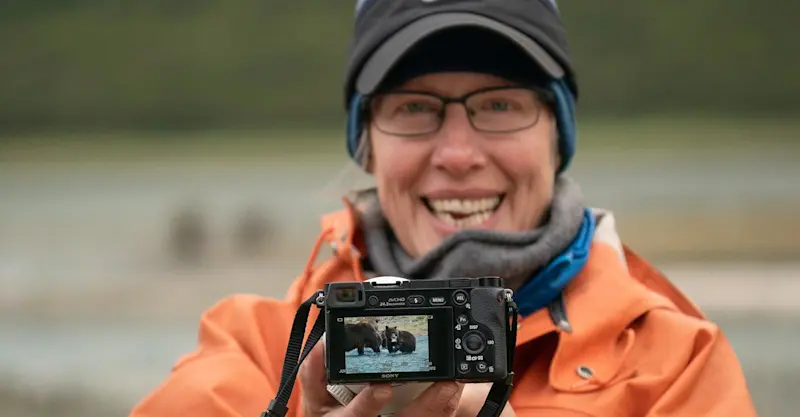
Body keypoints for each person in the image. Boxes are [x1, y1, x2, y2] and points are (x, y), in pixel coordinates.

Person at [130, 1, 759, 416]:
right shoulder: (254, 353)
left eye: (501, 104)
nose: (457, 154)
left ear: (557, 137)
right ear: (367, 144)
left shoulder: (679, 368)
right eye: (413, 106)